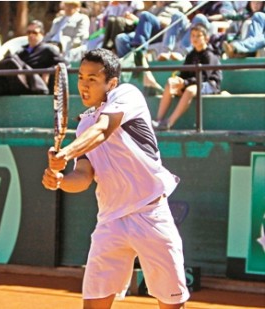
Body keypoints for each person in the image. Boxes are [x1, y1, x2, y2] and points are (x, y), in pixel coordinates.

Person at [42, 48, 190, 309]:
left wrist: (65, 152)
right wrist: (61, 180)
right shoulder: (83, 125)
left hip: (151, 213)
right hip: (110, 221)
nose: (84, 86)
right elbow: (84, 177)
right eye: (81, 78)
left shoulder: (127, 95)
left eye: (92, 79)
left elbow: (104, 130)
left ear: (111, 83)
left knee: (170, 304)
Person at [0, 20, 67, 128]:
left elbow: (65, 65)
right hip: (16, 82)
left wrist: (48, 71)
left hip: (33, 85)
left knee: (11, 60)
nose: (31, 35)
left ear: (42, 34)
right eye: (29, 32)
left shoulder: (48, 49)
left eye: (34, 33)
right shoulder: (22, 50)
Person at [152, 24, 222, 131]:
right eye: (193, 36)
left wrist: (185, 83)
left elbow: (204, 77)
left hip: (210, 84)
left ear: (206, 38)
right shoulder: (191, 55)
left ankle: (169, 122)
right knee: (171, 82)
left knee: (190, 90)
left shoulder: (209, 55)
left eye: (198, 36)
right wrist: (180, 80)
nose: (195, 39)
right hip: (193, 82)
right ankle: (158, 120)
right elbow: (184, 73)